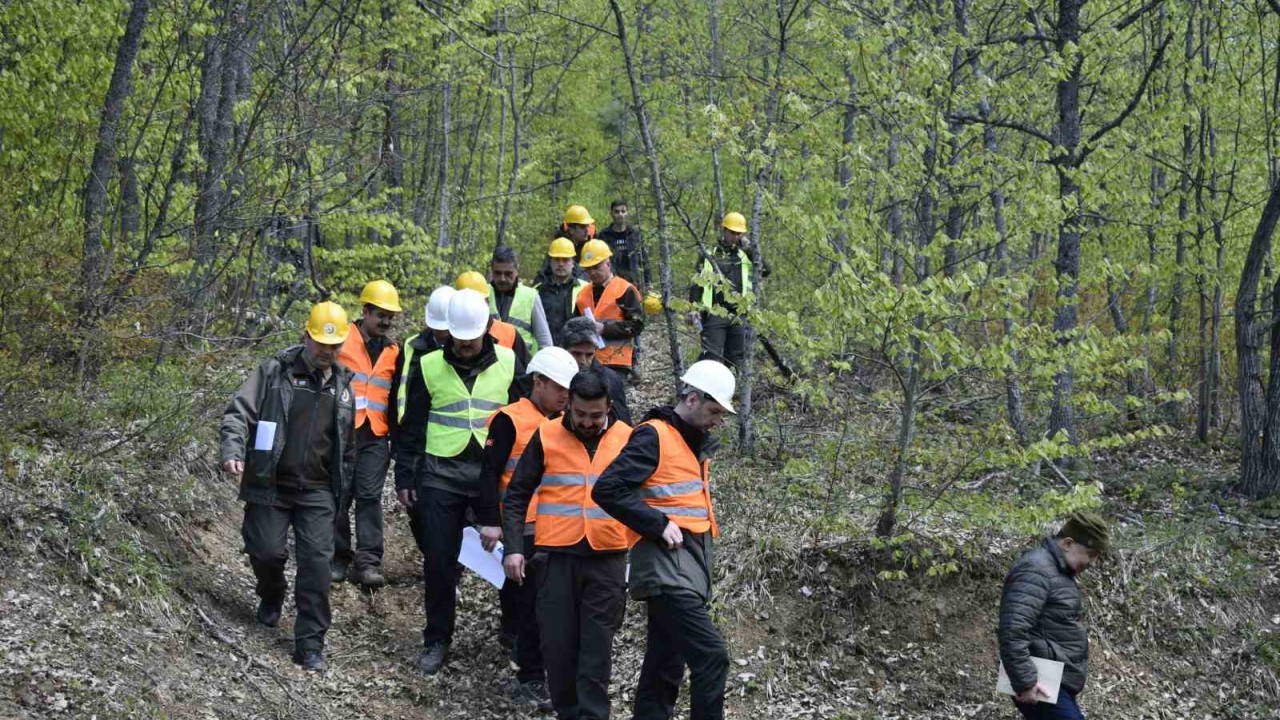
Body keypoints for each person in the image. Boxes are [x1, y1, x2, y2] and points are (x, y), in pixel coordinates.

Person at [592, 360, 738, 720]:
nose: (720, 420)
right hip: (665, 568)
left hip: (687, 567)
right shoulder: (653, 435)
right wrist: (656, 523)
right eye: (715, 410)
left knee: (664, 666)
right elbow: (607, 489)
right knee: (711, 656)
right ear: (691, 398)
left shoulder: (690, 442)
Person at [218, 301, 357, 672]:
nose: (328, 352)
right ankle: (272, 593)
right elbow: (238, 413)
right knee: (265, 552)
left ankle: (310, 643)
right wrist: (233, 448)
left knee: (316, 566)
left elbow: (348, 447)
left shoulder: (344, 387)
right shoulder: (274, 372)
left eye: (335, 345)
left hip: (318, 491)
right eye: (322, 343)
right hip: (271, 483)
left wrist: (345, 490)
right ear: (306, 336)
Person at [394, 288, 526, 675]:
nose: (465, 348)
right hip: (441, 475)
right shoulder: (429, 364)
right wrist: (406, 473)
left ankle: (513, 630)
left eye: (471, 341)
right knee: (438, 560)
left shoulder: (508, 360)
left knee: (510, 556)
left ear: (486, 330)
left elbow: (527, 414)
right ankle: (437, 639)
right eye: (458, 340)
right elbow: (412, 425)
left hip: (494, 475)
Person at [502, 370, 634, 720]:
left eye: (596, 415)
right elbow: (516, 494)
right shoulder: (546, 434)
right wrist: (514, 547)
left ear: (609, 407)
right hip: (555, 559)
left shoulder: (627, 438)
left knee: (596, 649)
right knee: (558, 648)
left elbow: (646, 496)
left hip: (607, 558)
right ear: (569, 406)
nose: (588, 422)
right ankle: (567, 712)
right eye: (580, 415)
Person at [476, 347, 579, 712]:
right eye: (559, 388)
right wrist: (491, 520)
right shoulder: (510, 419)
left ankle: (535, 665)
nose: (565, 395)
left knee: (548, 606)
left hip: (560, 528)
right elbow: (488, 473)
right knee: (530, 604)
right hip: (523, 527)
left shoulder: (570, 421)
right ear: (538, 382)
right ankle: (530, 676)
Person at [998, 512, 1110, 720]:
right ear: (1068, 543)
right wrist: (1025, 682)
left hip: (1053, 679)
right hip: (1039, 680)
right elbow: (1013, 629)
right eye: (1090, 554)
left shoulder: (1058, 571)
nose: (1092, 563)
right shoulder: (1036, 568)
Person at [333, 280, 402, 588]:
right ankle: (337, 558)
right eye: (380, 315)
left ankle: (369, 563)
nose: (385, 321)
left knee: (370, 496)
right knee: (339, 494)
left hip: (376, 434)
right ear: (365, 311)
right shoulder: (340, 339)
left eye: (390, 316)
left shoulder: (393, 351)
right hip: (341, 432)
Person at [395, 285, 455, 554]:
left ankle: (448, 567)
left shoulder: (477, 352)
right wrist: (404, 471)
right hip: (419, 444)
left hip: (456, 451)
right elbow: (401, 401)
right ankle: (434, 558)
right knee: (419, 512)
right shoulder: (412, 349)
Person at [686, 212, 770, 370]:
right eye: (732, 232)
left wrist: (750, 249)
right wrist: (693, 309)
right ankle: (704, 393)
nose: (736, 236)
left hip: (739, 315)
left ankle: (734, 394)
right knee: (710, 357)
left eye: (739, 233)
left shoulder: (745, 255)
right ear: (723, 230)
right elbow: (696, 284)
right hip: (714, 314)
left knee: (736, 360)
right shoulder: (710, 255)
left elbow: (766, 270)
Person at [575, 239, 644, 379]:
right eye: (588, 269)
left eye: (596, 267)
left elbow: (637, 325)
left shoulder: (625, 289)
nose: (592, 272)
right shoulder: (582, 294)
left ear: (608, 263)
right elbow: (574, 325)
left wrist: (604, 329)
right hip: (587, 360)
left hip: (616, 361)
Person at [560, 316, 631, 424]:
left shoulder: (610, 380)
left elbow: (622, 425)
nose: (583, 361)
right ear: (563, 350)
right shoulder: (551, 377)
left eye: (589, 355)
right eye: (576, 354)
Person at [457, 270, 530, 365]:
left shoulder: (509, 334)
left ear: (487, 301)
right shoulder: (448, 333)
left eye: (476, 302)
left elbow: (525, 374)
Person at [490, 246, 554, 353]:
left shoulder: (531, 296)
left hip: (521, 365)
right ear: (492, 270)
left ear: (517, 270)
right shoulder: (483, 295)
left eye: (508, 274)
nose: (502, 278)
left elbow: (545, 342)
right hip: (490, 365)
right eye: (497, 273)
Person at [537, 237, 589, 348]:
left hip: (576, 350)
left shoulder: (586, 288)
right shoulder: (537, 291)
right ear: (550, 262)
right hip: (546, 350)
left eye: (565, 260)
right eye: (556, 259)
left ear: (573, 262)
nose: (560, 264)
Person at [596, 200, 650, 292]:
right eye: (616, 211)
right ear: (611, 214)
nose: (620, 214)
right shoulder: (603, 236)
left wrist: (648, 282)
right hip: (610, 284)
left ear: (627, 213)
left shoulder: (635, 235)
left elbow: (644, 260)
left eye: (623, 211)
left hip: (633, 284)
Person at [535, 205, 594, 286]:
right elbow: (543, 274)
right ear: (571, 229)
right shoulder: (559, 247)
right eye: (583, 227)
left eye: (588, 226)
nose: (587, 230)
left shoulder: (588, 246)